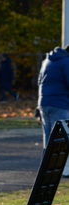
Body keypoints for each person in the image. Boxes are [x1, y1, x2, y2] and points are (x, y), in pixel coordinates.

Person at [37, 45, 69, 176]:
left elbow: (40, 81)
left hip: (44, 102)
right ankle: (64, 170)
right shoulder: (66, 61)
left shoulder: (47, 60)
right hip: (60, 102)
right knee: (63, 137)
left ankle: (45, 169)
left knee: (48, 137)